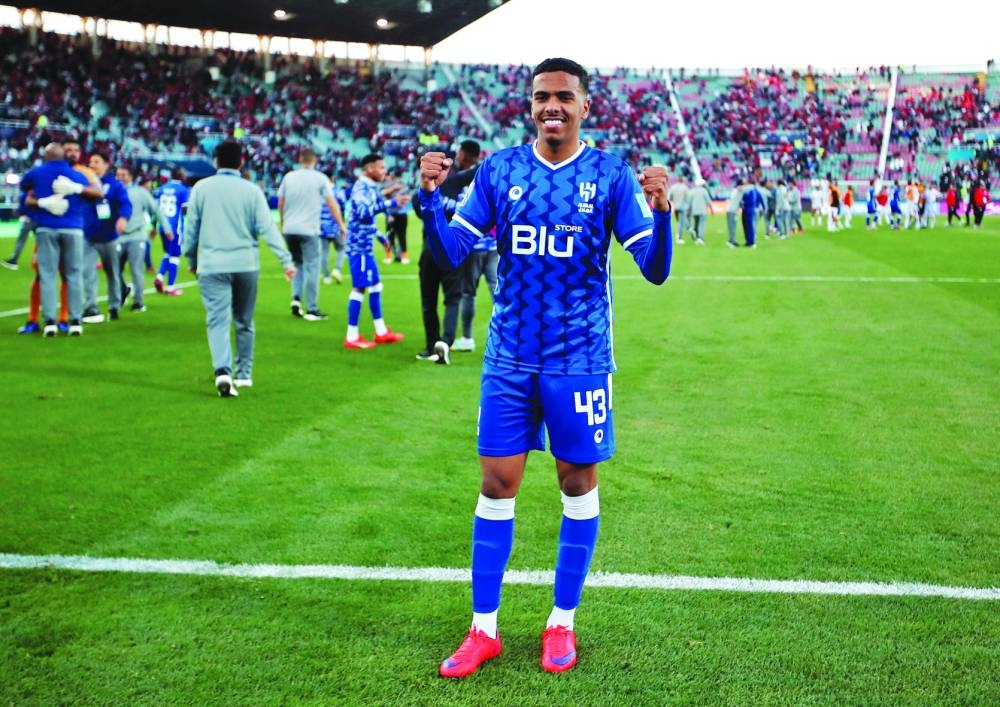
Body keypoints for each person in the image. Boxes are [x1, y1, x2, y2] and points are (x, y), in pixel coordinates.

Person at [418, 57, 672, 678]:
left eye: (563, 96)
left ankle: (562, 621)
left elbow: (655, 269)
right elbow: (451, 253)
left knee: (576, 484)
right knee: (496, 484)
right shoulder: (500, 170)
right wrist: (428, 200)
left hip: (579, 358)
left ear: (585, 105)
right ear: (529, 105)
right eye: (540, 97)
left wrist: (662, 212)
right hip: (509, 356)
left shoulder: (610, 174)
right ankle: (483, 630)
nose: (551, 106)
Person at [183, 141, 297, 397]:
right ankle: (244, 374)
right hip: (245, 264)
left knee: (217, 320)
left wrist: (191, 258)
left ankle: (223, 370)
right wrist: (286, 261)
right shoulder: (252, 191)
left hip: (212, 264)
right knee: (244, 320)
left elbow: (191, 230)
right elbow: (268, 228)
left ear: (216, 161)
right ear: (241, 162)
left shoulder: (201, 188)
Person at [20, 142, 103, 336]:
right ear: (64, 155)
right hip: (73, 229)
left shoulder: (37, 172)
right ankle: (74, 321)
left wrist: (42, 201)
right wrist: (77, 188)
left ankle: (49, 322)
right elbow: (98, 193)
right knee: (73, 275)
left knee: (46, 276)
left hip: (46, 228)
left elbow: (25, 189)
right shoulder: (79, 174)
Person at [412, 141, 481, 363]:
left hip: (430, 248)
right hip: (453, 247)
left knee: (428, 301)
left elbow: (417, 205)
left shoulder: (435, 186)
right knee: (453, 298)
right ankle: (446, 341)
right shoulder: (459, 183)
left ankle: (431, 346)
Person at [342, 153, 408, 349]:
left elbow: (363, 219)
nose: (384, 172)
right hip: (359, 248)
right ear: (369, 168)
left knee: (376, 286)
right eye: (381, 168)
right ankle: (351, 336)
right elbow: (364, 212)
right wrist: (392, 203)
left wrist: (379, 235)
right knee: (359, 287)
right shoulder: (361, 188)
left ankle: (380, 332)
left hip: (365, 246)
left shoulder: (369, 187)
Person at [278, 148, 347, 321]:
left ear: (300, 160)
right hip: (309, 229)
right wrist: (341, 224)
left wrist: (283, 222)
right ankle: (312, 308)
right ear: (314, 160)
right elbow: (331, 204)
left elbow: (281, 202)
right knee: (312, 267)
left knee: (297, 264)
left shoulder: (289, 177)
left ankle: (296, 299)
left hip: (290, 228)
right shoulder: (320, 178)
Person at [80, 151, 131, 323]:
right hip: (88, 235)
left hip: (109, 236)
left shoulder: (114, 185)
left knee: (113, 272)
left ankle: (114, 306)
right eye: (91, 161)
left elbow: (125, 203)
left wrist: (123, 218)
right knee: (87, 272)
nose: (92, 164)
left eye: (96, 161)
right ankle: (91, 306)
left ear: (105, 165)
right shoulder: (85, 183)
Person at [117, 166, 170, 313]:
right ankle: (123, 290)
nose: (120, 178)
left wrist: (166, 228)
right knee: (114, 270)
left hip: (136, 236)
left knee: (136, 269)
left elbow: (156, 210)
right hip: (118, 237)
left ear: (130, 177)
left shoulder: (140, 192)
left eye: (123, 174)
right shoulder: (113, 191)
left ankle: (138, 302)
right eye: (118, 175)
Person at [154, 167, 190, 296]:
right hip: (175, 228)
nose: (186, 175)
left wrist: (154, 226)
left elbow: (156, 208)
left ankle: (159, 277)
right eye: (184, 173)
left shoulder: (162, 188)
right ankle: (170, 288)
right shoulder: (183, 190)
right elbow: (185, 210)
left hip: (162, 226)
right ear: (179, 174)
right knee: (175, 255)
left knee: (168, 253)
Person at [1, 192, 34, 270]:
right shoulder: (39, 192)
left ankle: (14, 260)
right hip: (40, 221)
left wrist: (20, 214)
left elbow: (21, 209)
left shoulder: (25, 195)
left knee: (21, 240)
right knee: (44, 242)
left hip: (29, 220)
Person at [686, 177, 712, 245]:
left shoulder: (692, 191)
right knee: (701, 224)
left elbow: (689, 202)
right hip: (702, 210)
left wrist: (689, 211)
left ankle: (696, 236)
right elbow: (708, 201)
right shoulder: (704, 191)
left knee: (696, 224)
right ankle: (700, 238)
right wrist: (711, 210)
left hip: (695, 211)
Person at [740, 176, 765, 247]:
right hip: (748, 208)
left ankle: (751, 241)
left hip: (749, 208)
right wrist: (764, 207)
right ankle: (748, 241)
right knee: (747, 225)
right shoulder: (753, 189)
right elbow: (761, 199)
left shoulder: (750, 189)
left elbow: (752, 199)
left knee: (750, 225)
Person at [667, 176, 689, 244]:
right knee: (681, 222)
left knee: (679, 221)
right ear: (683, 180)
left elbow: (669, 197)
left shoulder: (673, 187)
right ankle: (679, 237)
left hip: (675, 207)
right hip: (683, 207)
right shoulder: (685, 187)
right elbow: (688, 198)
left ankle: (687, 229)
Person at [724, 178, 744, 248]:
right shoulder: (738, 190)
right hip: (732, 211)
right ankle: (731, 241)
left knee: (732, 226)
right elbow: (741, 189)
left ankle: (732, 240)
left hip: (732, 210)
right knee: (732, 227)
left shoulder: (735, 190)